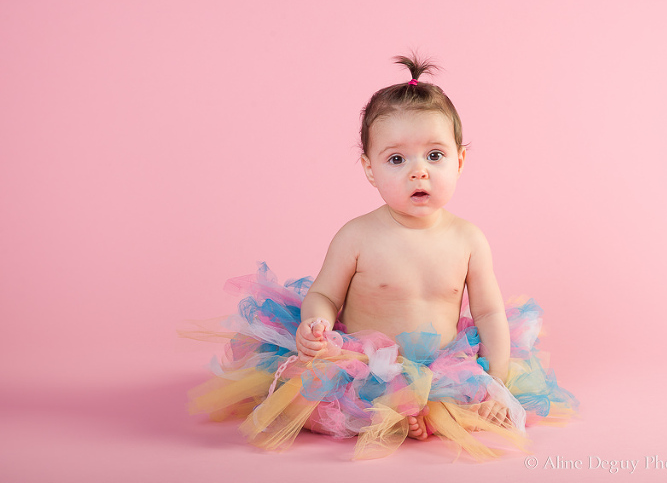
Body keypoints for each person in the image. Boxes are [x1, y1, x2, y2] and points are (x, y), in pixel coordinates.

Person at [186, 55, 577, 460]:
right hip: (362, 364)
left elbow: (491, 314)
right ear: (369, 169)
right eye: (396, 159)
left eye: (435, 156)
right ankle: (394, 413)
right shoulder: (356, 236)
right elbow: (324, 295)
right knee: (315, 397)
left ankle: (424, 411)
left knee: (472, 403)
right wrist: (315, 324)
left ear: (460, 161)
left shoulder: (469, 239)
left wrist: (496, 380)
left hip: (441, 369)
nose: (418, 172)